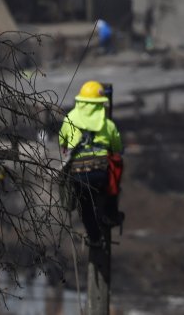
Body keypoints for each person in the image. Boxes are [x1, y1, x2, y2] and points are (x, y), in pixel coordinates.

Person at [59, 80, 124, 245]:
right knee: (110, 187)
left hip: (79, 176)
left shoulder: (70, 119)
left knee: (85, 206)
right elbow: (117, 147)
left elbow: (62, 142)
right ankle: (109, 215)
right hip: (100, 173)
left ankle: (95, 238)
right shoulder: (107, 125)